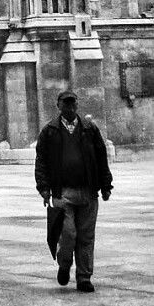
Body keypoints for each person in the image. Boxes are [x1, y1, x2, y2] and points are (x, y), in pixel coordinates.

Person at [35, 89, 113, 293]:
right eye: (65, 103)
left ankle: (84, 277)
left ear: (77, 105)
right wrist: (44, 189)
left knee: (86, 236)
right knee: (67, 234)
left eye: (73, 103)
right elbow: (41, 161)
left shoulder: (89, 129)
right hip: (62, 192)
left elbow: (101, 157)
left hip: (87, 191)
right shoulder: (49, 131)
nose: (70, 107)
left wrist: (106, 185)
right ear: (58, 105)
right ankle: (65, 263)